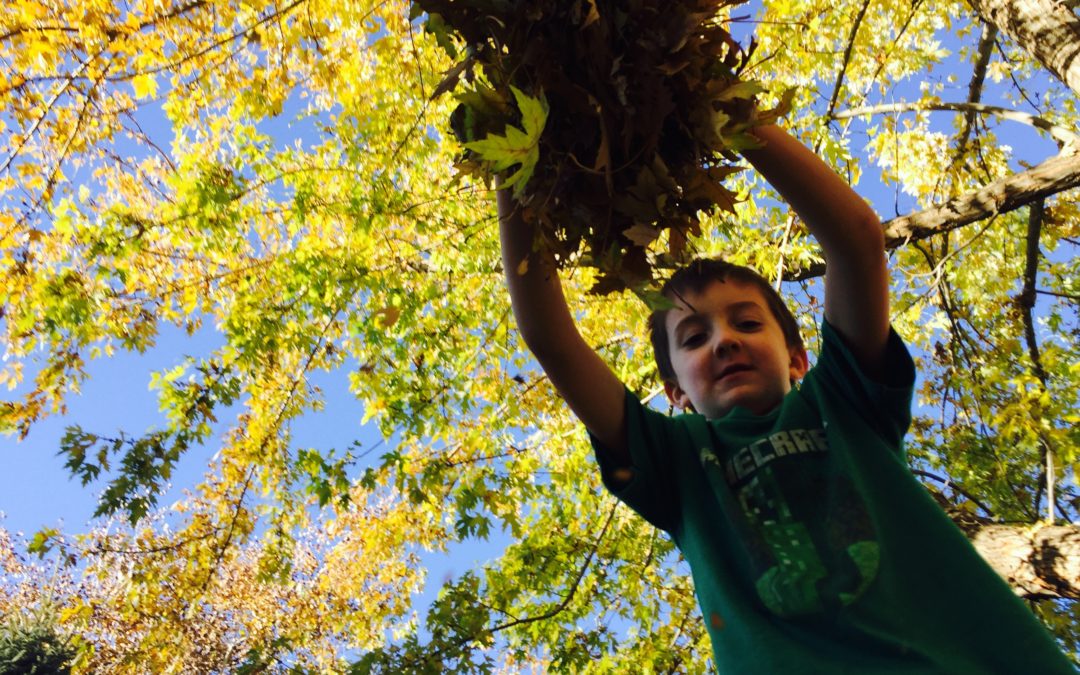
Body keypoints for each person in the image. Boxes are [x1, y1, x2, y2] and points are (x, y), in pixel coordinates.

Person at [497, 123, 1075, 672]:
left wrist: (728, 112)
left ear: (798, 358)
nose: (723, 341)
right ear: (676, 393)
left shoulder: (845, 403)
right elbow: (551, 339)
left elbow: (855, 241)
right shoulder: (675, 462)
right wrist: (514, 163)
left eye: (746, 324)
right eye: (695, 339)